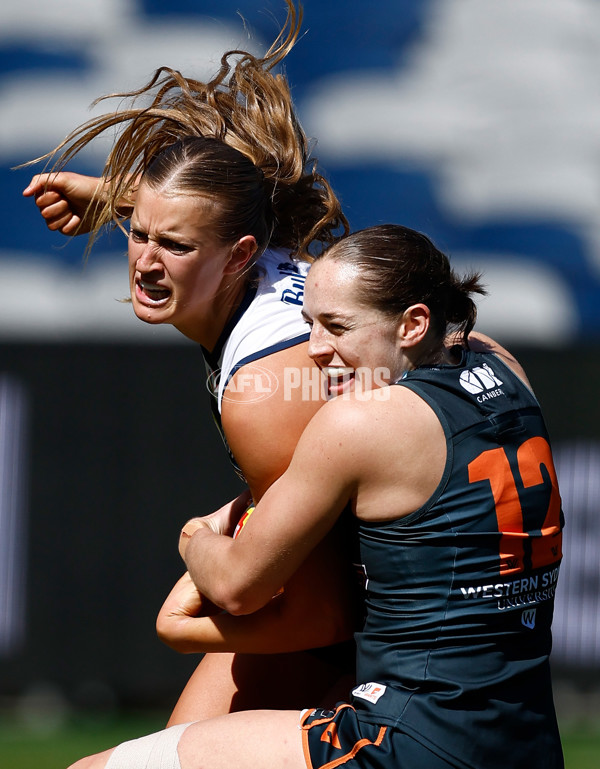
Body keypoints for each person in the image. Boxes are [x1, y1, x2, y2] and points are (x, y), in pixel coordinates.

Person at [70, 223, 564, 769]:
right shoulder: (507, 370)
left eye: (337, 326)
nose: (314, 351)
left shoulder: (359, 423)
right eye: (309, 323)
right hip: (526, 737)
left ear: (414, 324)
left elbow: (235, 584)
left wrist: (195, 537)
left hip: (408, 739)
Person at [22, 0, 359, 724]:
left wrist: (183, 615)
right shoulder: (273, 260)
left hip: (405, 631)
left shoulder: (267, 389)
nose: (144, 262)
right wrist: (120, 202)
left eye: (171, 245)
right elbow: (208, 212)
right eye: (138, 232)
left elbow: (329, 614)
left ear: (238, 255)